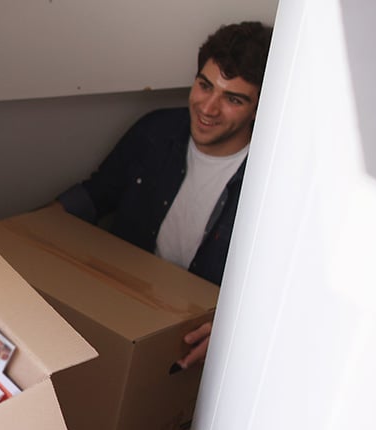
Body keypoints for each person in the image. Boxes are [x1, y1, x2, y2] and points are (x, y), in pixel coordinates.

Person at [54, 21, 273, 371]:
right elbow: (95, 196)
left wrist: (233, 329)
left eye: (233, 99)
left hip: (192, 344)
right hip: (117, 305)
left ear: (259, 108)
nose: (208, 108)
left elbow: (282, 288)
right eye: (204, 85)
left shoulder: (272, 181)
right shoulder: (156, 130)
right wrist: (17, 232)